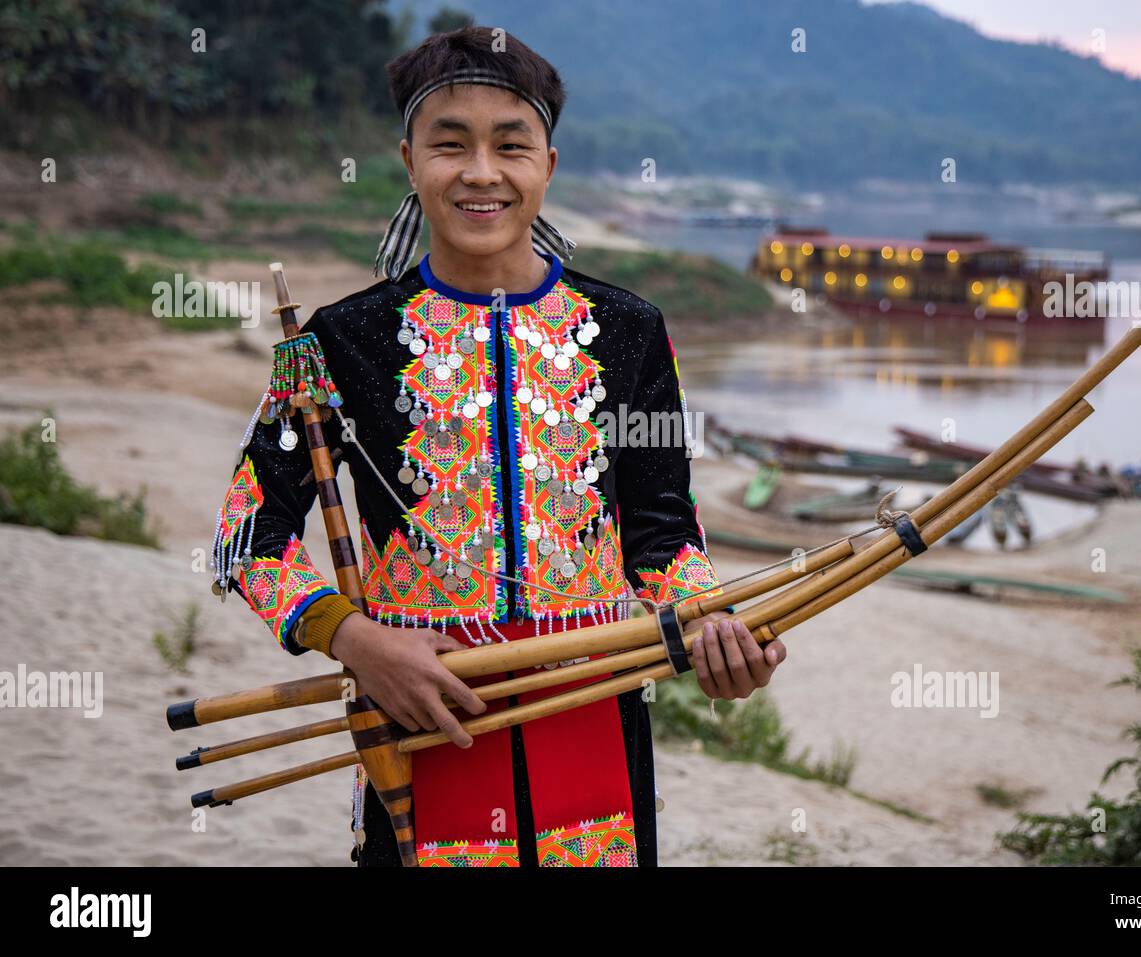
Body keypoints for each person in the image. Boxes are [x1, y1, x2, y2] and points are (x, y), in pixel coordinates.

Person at [208, 26, 786, 868]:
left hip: (596, 707)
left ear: (547, 165)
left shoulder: (629, 331)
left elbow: (662, 535)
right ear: (410, 160)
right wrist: (359, 642)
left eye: (510, 146)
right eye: (451, 145)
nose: (481, 172)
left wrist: (713, 624)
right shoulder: (342, 341)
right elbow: (246, 529)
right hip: (419, 720)